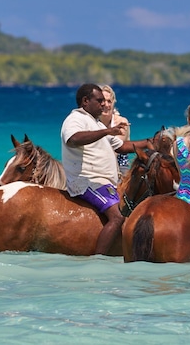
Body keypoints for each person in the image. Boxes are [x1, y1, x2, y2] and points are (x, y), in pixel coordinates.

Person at [61, 83, 140, 255]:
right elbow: (73, 139)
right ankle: (98, 258)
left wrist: (149, 143)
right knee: (117, 217)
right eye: (99, 101)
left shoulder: (95, 124)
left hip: (100, 182)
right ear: (85, 101)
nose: (104, 104)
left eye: (105, 101)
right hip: (85, 181)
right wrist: (107, 132)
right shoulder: (75, 119)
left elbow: (121, 146)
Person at [99, 84, 131, 175]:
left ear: (113, 103)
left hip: (120, 167)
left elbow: (115, 148)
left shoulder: (121, 122)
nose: (106, 105)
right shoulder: (92, 121)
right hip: (98, 166)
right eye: (103, 101)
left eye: (109, 101)